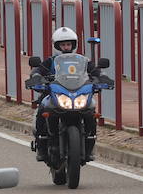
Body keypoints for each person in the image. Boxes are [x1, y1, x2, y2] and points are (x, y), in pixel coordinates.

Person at [31, 27, 100, 160]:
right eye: (63, 44)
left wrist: (101, 78)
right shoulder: (51, 61)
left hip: (77, 93)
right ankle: (41, 145)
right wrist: (36, 77)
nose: (66, 47)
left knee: (91, 111)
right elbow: (38, 70)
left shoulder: (82, 61)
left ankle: (89, 143)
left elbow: (95, 71)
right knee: (42, 110)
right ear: (57, 45)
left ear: (73, 45)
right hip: (54, 93)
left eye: (68, 44)